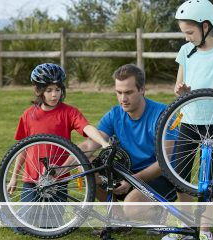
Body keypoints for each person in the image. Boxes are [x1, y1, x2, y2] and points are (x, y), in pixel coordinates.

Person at [0, 63, 109, 230]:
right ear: (38, 91)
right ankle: (0, 213)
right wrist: (14, 177)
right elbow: (22, 148)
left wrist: (104, 143)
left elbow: (86, 127)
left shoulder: (69, 112)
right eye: (49, 90)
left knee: (51, 226)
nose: (54, 95)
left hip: (59, 179)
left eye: (57, 89)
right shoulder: (29, 115)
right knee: (23, 228)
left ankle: (34, 216)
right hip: (32, 179)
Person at [163, 1, 213, 240]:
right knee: (179, 175)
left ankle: (205, 231)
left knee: (207, 179)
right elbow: (178, 88)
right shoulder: (185, 52)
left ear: (206, 26)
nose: (186, 38)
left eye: (189, 33)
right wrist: (182, 91)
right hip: (188, 120)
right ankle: (183, 228)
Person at [75, 63, 177, 232]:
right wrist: (62, 165)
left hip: (159, 178)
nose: (123, 98)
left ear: (142, 89)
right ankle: (119, 221)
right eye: (119, 92)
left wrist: (133, 180)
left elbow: (163, 163)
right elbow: (89, 144)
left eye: (128, 92)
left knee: (132, 208)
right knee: (86, 163)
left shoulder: (163, 115)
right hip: (126, 173)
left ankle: (158, 213)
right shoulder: (115, 114)